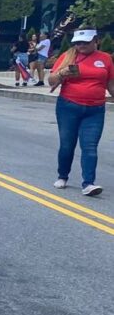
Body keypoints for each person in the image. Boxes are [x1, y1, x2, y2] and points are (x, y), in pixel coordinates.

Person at [48, 27, 112, 197]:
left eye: (85, 42)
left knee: (90, 146)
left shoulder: (106, 59)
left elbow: (111, 84)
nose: (81, 45)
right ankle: (63, 176)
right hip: (68, 106)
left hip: (95, 109)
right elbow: (51, 80)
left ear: (95, 40)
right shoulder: (68, 56)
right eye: (78, 42)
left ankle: (88, 183)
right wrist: (63, 72)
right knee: (67, 145)